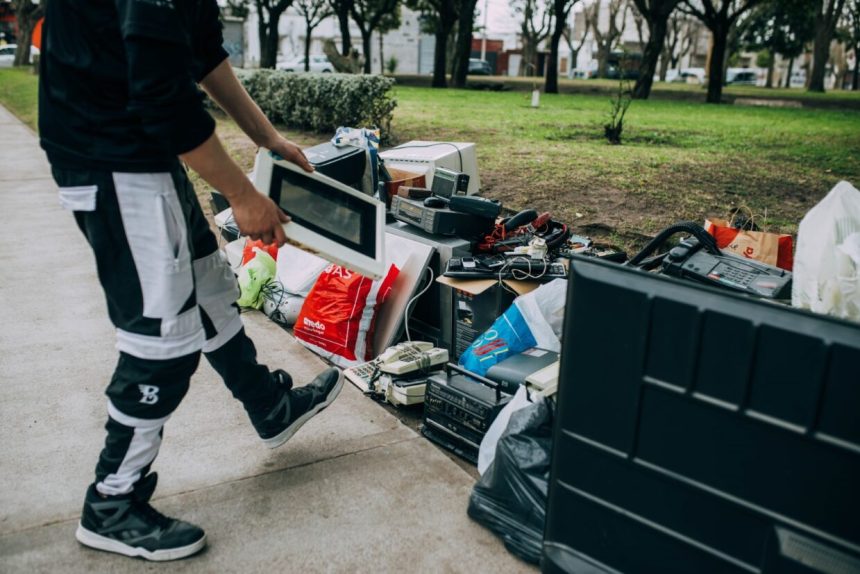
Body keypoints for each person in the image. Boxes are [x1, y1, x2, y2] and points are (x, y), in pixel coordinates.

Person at [38, 0, 344, 562]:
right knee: (162, 337)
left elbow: (202, 54)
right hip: (109, 155)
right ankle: (112, 501)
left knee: (210, 286)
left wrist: (268, 139)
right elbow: (160, 95)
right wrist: (242, 195)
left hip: (143, 150)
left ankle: (268, 406)